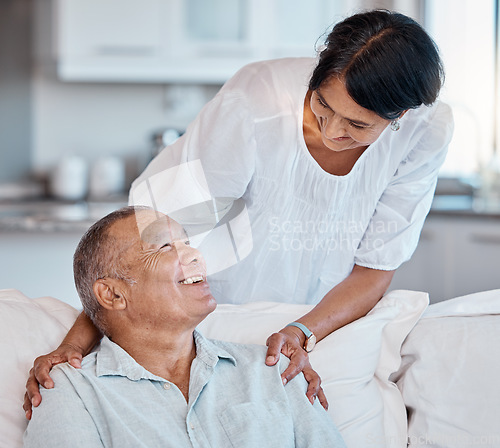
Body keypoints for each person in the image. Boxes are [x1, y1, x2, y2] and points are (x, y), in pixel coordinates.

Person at [24, 9, 453, 415]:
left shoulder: (426, 130)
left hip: (322, 326)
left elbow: (375, 268)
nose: (333, 130)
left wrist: (302, 331)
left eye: (358, 126)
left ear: (402, 116)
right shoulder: (256, 101)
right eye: (324, 105)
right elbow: (151, 234)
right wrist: (78, 341)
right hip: (213, 316)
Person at [23, 206, 346, 448]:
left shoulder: (274, 370)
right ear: (113, 294)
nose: (194, 255)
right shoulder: (69, 388)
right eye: (165, 247)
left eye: (188, 243)